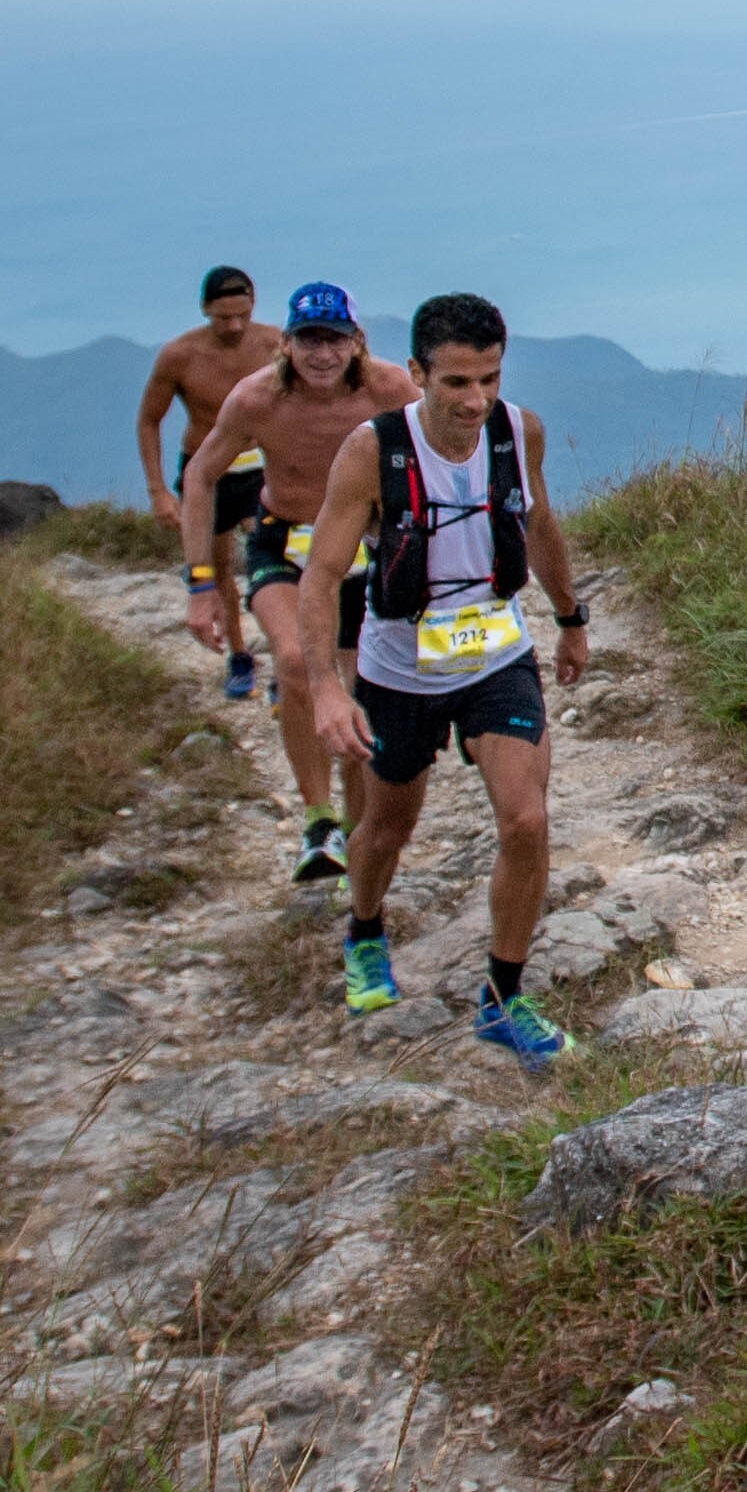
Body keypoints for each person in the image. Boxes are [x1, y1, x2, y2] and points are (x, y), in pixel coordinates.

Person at [297, 294, 592, 1047]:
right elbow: (323, 573)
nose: (476, 399)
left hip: (498, 654)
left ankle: (504, 995)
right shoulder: (374, 450)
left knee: (525, 818)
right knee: (387, 827)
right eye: (457, 382)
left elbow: (539, 522)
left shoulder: (518, 433)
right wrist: (328, 688)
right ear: (417, 373)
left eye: (489, 378)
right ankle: (364, 928)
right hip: (401, 667)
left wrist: (569, 616)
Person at [179, 281, 419, 889]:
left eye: (334, 340)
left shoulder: (389, 389)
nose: (322, 354)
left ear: (356, 343)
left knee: (363, 686)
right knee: (294, 659)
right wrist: (202, 582)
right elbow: (202, 477)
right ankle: (318, 820)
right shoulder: (256, 399)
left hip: (368, 549)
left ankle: (357, 835)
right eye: (309, 340)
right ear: (285, 344)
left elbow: (444, 449)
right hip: (284, 542)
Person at [137, 265, 281, 702]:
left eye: (241, 314)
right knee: (218, 569)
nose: (234, 326)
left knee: (274, 561)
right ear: (205, 310)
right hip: (207, 470)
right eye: (223, 318)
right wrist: (159, 490)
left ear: (254, 304)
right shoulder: (179, 356)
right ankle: (239, 657)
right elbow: (149, 419)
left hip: (262, 465)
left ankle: (284, 665)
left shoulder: (276, 344)